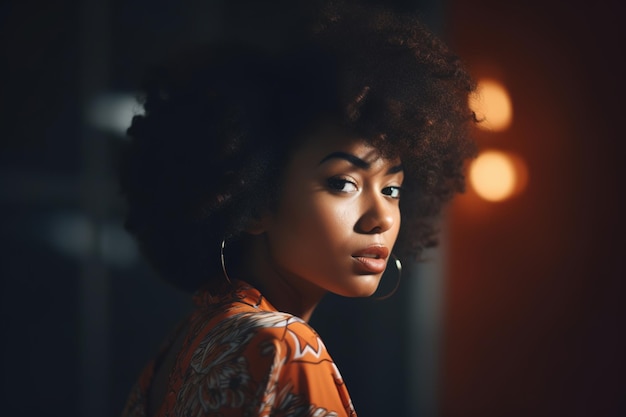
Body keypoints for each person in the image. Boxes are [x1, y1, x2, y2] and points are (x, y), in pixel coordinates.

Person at [118, 2, 475, 416]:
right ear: (255, 202)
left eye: (393, 188)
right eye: (343, 183)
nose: (382, 218)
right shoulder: (282, 346)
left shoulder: (183, 345)